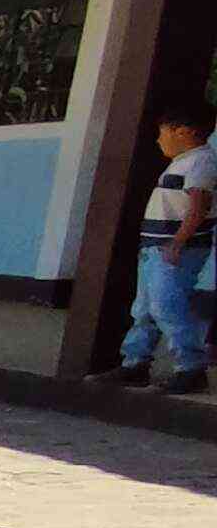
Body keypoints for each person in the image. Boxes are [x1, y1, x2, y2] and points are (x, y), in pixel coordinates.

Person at [90, 95, 213, 394]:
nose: (159, 140)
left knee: (166, 306)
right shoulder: (182, 163)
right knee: (144, 308)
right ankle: (135, 363)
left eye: (162, 133)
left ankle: (191, 367)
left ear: (183, 131)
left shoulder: (201, 162)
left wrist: (177, 243)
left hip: (174, 250)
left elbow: (199, 207)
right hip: (154, 248)